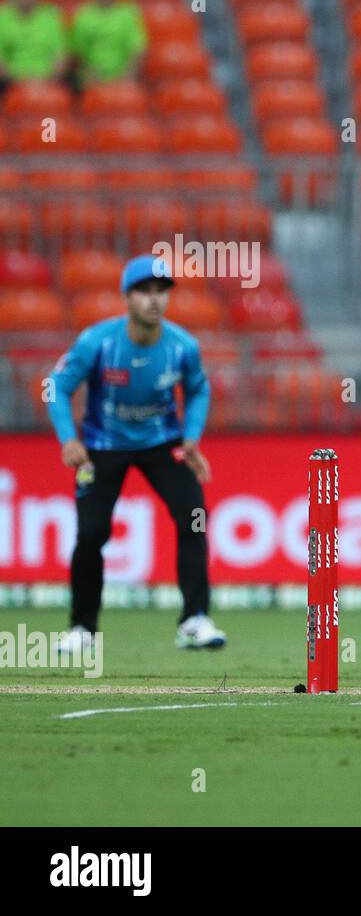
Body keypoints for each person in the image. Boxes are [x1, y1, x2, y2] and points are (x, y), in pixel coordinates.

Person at [49, 255, 225, 653]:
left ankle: (195, 619)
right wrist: (68, 439)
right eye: (144, 291)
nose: (154, 300)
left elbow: (199, 389)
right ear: (127, 297)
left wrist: (192, 437)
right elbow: (56, 387)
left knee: (194, 518)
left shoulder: (182, 346)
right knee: (92, 532)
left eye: (161, 291)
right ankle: (82, 627)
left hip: (162, 443)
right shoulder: (97, 342)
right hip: (101, 444)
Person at [69, 0, 148, 88]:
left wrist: (127, 76)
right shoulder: (83, 15)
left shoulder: (128, 13)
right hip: (91, 80)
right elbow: (78, 54)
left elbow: (138, 50)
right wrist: (90, 74)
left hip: (124, 79)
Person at [0, 0, 68, 88]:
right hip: (10, 82)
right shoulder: (2, 17)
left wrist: (48, 80)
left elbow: (60, 56)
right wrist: (16, 81)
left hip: (46, 80)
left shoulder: (51, 16)